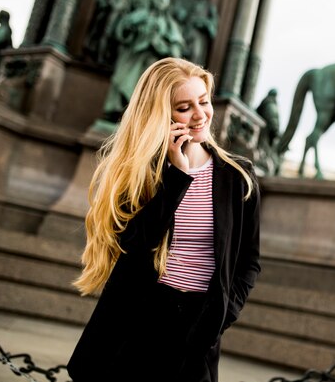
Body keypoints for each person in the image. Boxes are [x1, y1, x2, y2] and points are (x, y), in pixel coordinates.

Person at [68, 57, 261, 382]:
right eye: (184, 107)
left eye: (203, 101)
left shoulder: (238, 175)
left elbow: (248, 261)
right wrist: (177, 177)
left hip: (199, 328)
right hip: (135, 324)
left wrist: (222, 315)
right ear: (160, 114)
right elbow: (132, 249)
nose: (200, 115)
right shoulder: (136, 171)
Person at [101, 0, 184, 122]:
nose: (159, 4)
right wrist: (133, 30)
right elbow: (123, 29)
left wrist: (161, 44)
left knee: (143, 91)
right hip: (132, 56)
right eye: (157, 0)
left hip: (151, 62)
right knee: (120, 82)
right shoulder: (141, 15)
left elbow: (175, 49)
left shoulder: (169, 25)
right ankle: (114, 113)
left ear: (166, 5)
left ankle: (132, 118)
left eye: (162, 1)